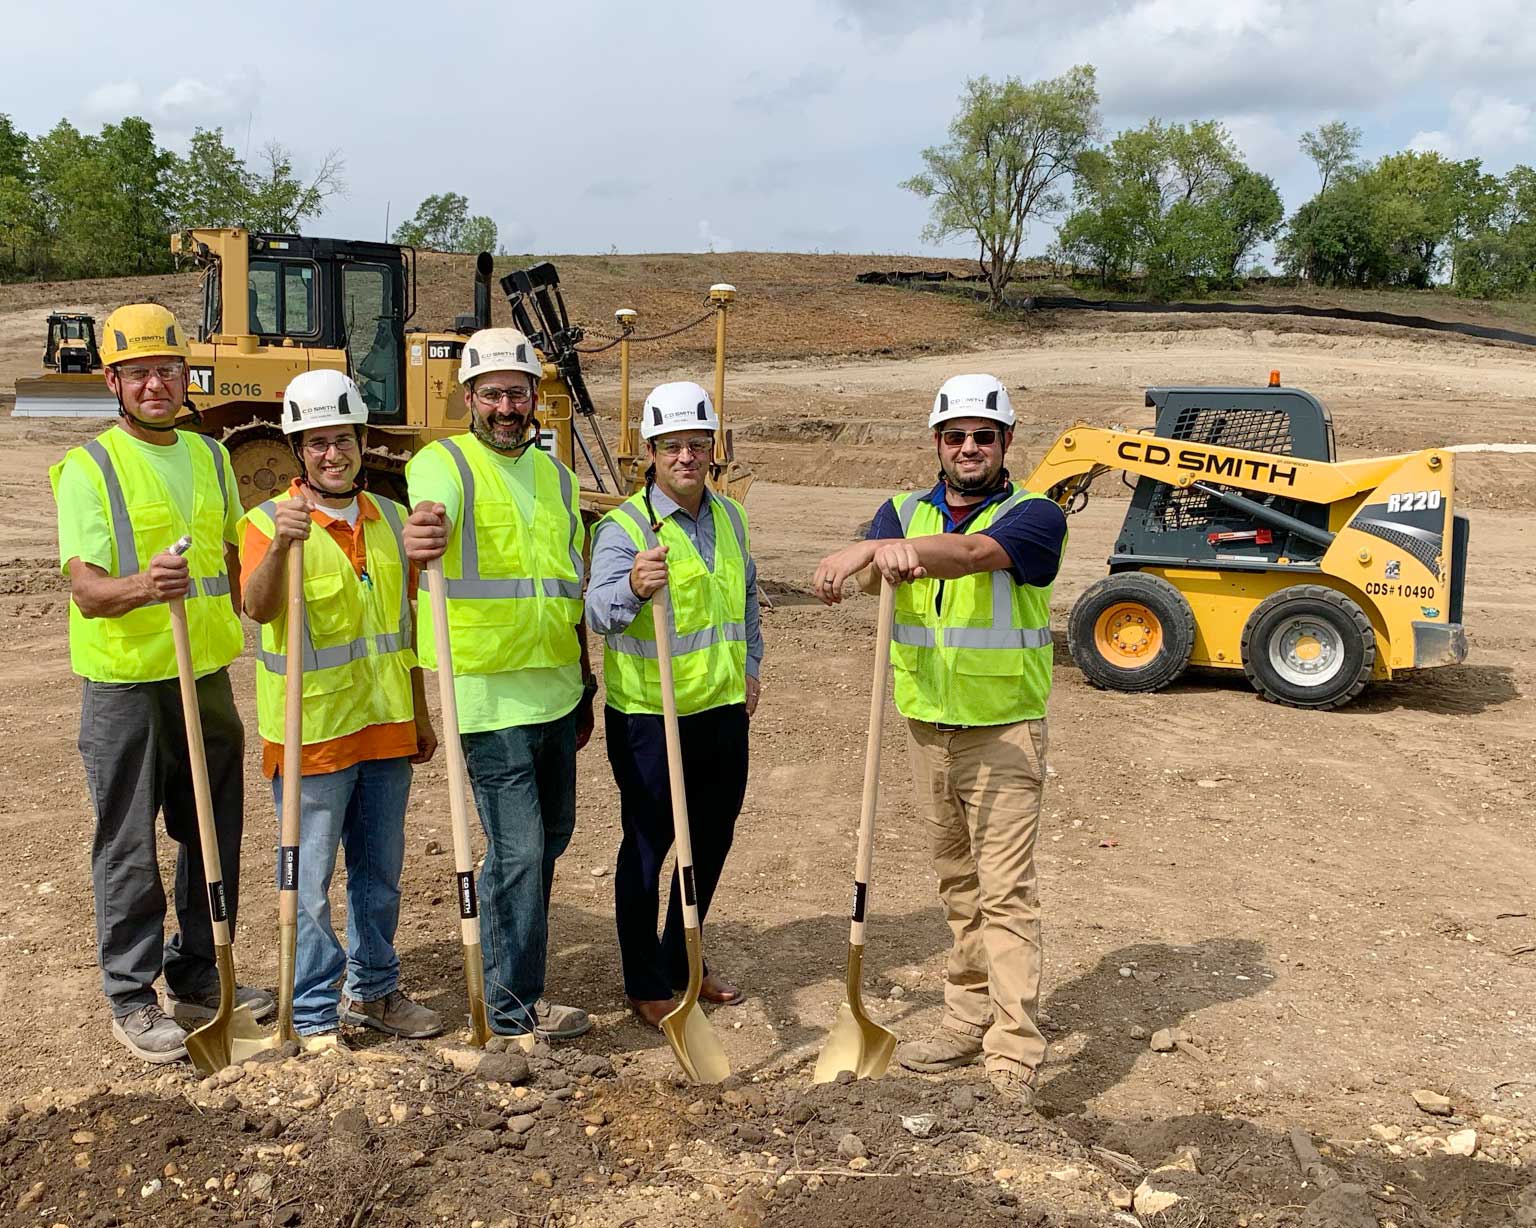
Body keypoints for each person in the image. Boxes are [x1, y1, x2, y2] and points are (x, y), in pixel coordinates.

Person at [812, 373, 1068, 1108]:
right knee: (957, 885)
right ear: (936, 442)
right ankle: (964, 1016)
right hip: (928, 728)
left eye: (982, 436)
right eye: (955, 436)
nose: (968, 448)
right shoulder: (897, 509)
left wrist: (889, 548)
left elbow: (975, 553)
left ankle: (1014, 1049)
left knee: (1006, 892)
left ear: (1006, 443)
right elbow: (867, 569)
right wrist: (852, 560)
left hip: (1004, 734)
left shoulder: (1035, 514)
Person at [49, 303, 272, 1064]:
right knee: (128, 843)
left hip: (204, 676)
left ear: (187, 375)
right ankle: (132, 994)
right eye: (139, 371)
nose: (155, 384)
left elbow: (237, 562)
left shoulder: (212, 457)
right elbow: (87, 592)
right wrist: (147, 585)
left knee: (211, 832)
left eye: (167, 369)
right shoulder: (90, 467)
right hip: (126, 685)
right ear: (112, 380)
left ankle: (204, 974)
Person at [402, 328, 596, 1042]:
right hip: (485, 693)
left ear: (535, 397)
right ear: (469, 398)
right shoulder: (442, 463)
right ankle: (512, 1007)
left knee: (551, 838)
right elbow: (432, 514)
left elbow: (566, 586)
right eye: (494, 394)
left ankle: (513, 972)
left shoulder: (560, 477)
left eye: (519, 393)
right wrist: (423, 533)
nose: (508, 407)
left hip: (554, 690)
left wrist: (584, 678)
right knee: (517, 849)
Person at [239, 369, 443, 1045]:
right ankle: (316, 1010)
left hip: (384, 734)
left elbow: (402, 631)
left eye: (344, 439)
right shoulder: (267, 523)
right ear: (298, 451)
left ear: (361, 441)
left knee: (380, 876)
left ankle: (375, 991)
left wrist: (419, 714)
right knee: (310, 885)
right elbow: (258, 607)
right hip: (312, 738)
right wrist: (287, 546)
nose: (333, 454)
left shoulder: (388, 519)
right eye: (318, 442)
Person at [585, 382, 762, 1029]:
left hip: (720, 710)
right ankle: (643, 980)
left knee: (712, 838)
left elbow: (745, 597)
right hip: (649, 718)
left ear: (711, 449)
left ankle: (682, 954)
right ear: (650, 452)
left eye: (696, 444)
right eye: (672, 446)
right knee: (649, 843)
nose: (685, 456)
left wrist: (751, 666)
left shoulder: (732, 517)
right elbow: (599, 613)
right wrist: (632, 584)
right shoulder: (626, 526)